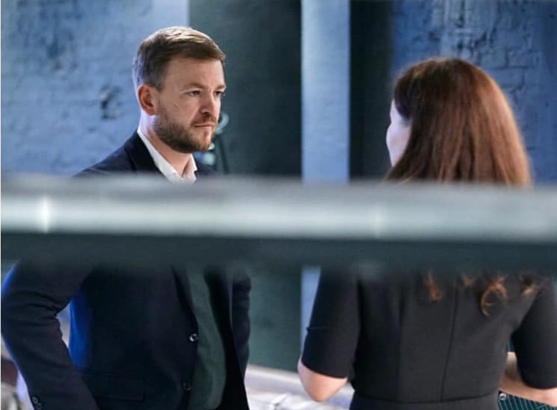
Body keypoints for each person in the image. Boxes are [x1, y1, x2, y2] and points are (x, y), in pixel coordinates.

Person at [1, 26, 251, 410]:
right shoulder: (97, 195)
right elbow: (21, 307)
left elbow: (236, 297)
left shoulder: (217, 191)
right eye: (193, 92)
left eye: (217, 93)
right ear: (148, 99)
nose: (210, 109)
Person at [297, 58, 557, 410]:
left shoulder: (363, 229)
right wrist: (477, 366)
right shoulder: (523, 236)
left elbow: (321, 383)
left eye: (393, 120)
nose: (388, 133)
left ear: (417, 134)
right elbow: (546, 384)